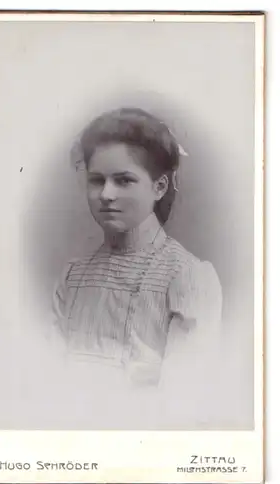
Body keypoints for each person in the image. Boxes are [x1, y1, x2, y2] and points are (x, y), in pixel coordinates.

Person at [52, 107, 222, 387]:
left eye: (124, 180)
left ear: (159, 187)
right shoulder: (73, 278)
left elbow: (187, 396)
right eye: (97, 181)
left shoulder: (187, 278)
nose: (106, 194)